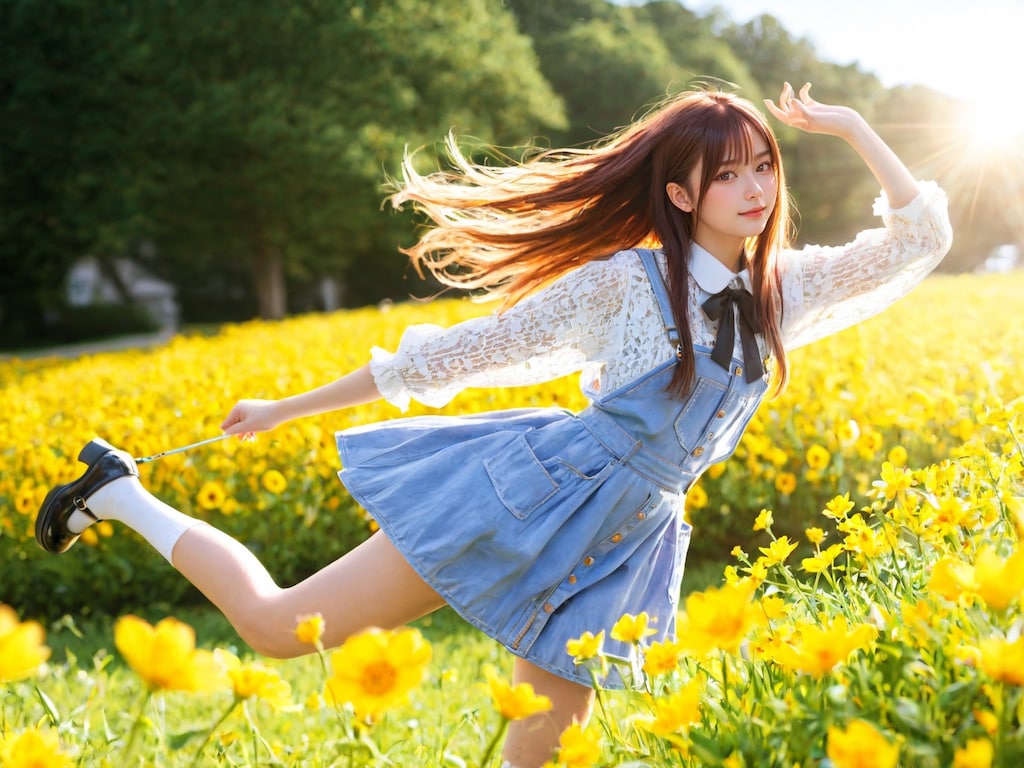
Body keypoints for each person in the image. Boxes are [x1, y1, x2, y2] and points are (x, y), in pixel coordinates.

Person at [36, 82, 952, 768]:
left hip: (627, 543)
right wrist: (286, 408)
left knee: (544, 758)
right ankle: (120, 495)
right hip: (534, 493)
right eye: (729, 174)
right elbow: (460, 355)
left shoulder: (782, 293)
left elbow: (920, 240)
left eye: (765, 167)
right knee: (284, 629)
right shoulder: (619, 287)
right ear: (681, 195)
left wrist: (852, 128)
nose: (755, 189)